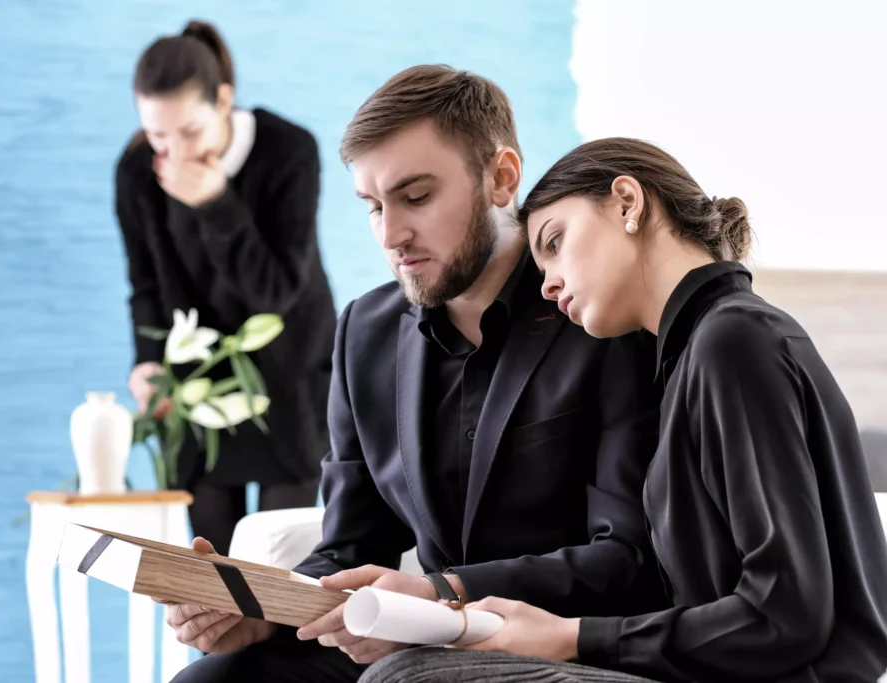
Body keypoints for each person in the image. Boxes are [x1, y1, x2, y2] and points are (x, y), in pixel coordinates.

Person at [166, 66, 667, 683]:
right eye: (373, 206)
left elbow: (628, 559)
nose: (390, 234)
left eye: (417, 197)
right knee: (211, 680)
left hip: (557, 648)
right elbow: (351, 548)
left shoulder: (600, 314)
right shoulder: (365, 332)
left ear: (501, 178)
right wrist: (263, 612)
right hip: (412, 646)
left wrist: (439, 593)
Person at [360, 138, 887, 683]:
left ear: (627, 203)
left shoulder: (734, 339)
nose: (548, 285)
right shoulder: (694, 356)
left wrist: (570, 638)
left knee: (410, 676)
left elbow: (787, 615)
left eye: (556, 242)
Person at [115, 21, 337, 555]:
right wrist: (148, 362)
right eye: (158, 135)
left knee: (283, 566)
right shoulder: (137, 172)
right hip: (201, 386)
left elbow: (277, 293)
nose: (173, 153)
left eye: (188, 132)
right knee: (209, 572)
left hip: (291, 381)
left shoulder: (289, 150)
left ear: (223, 100)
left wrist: (216, 203)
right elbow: (144, 284)